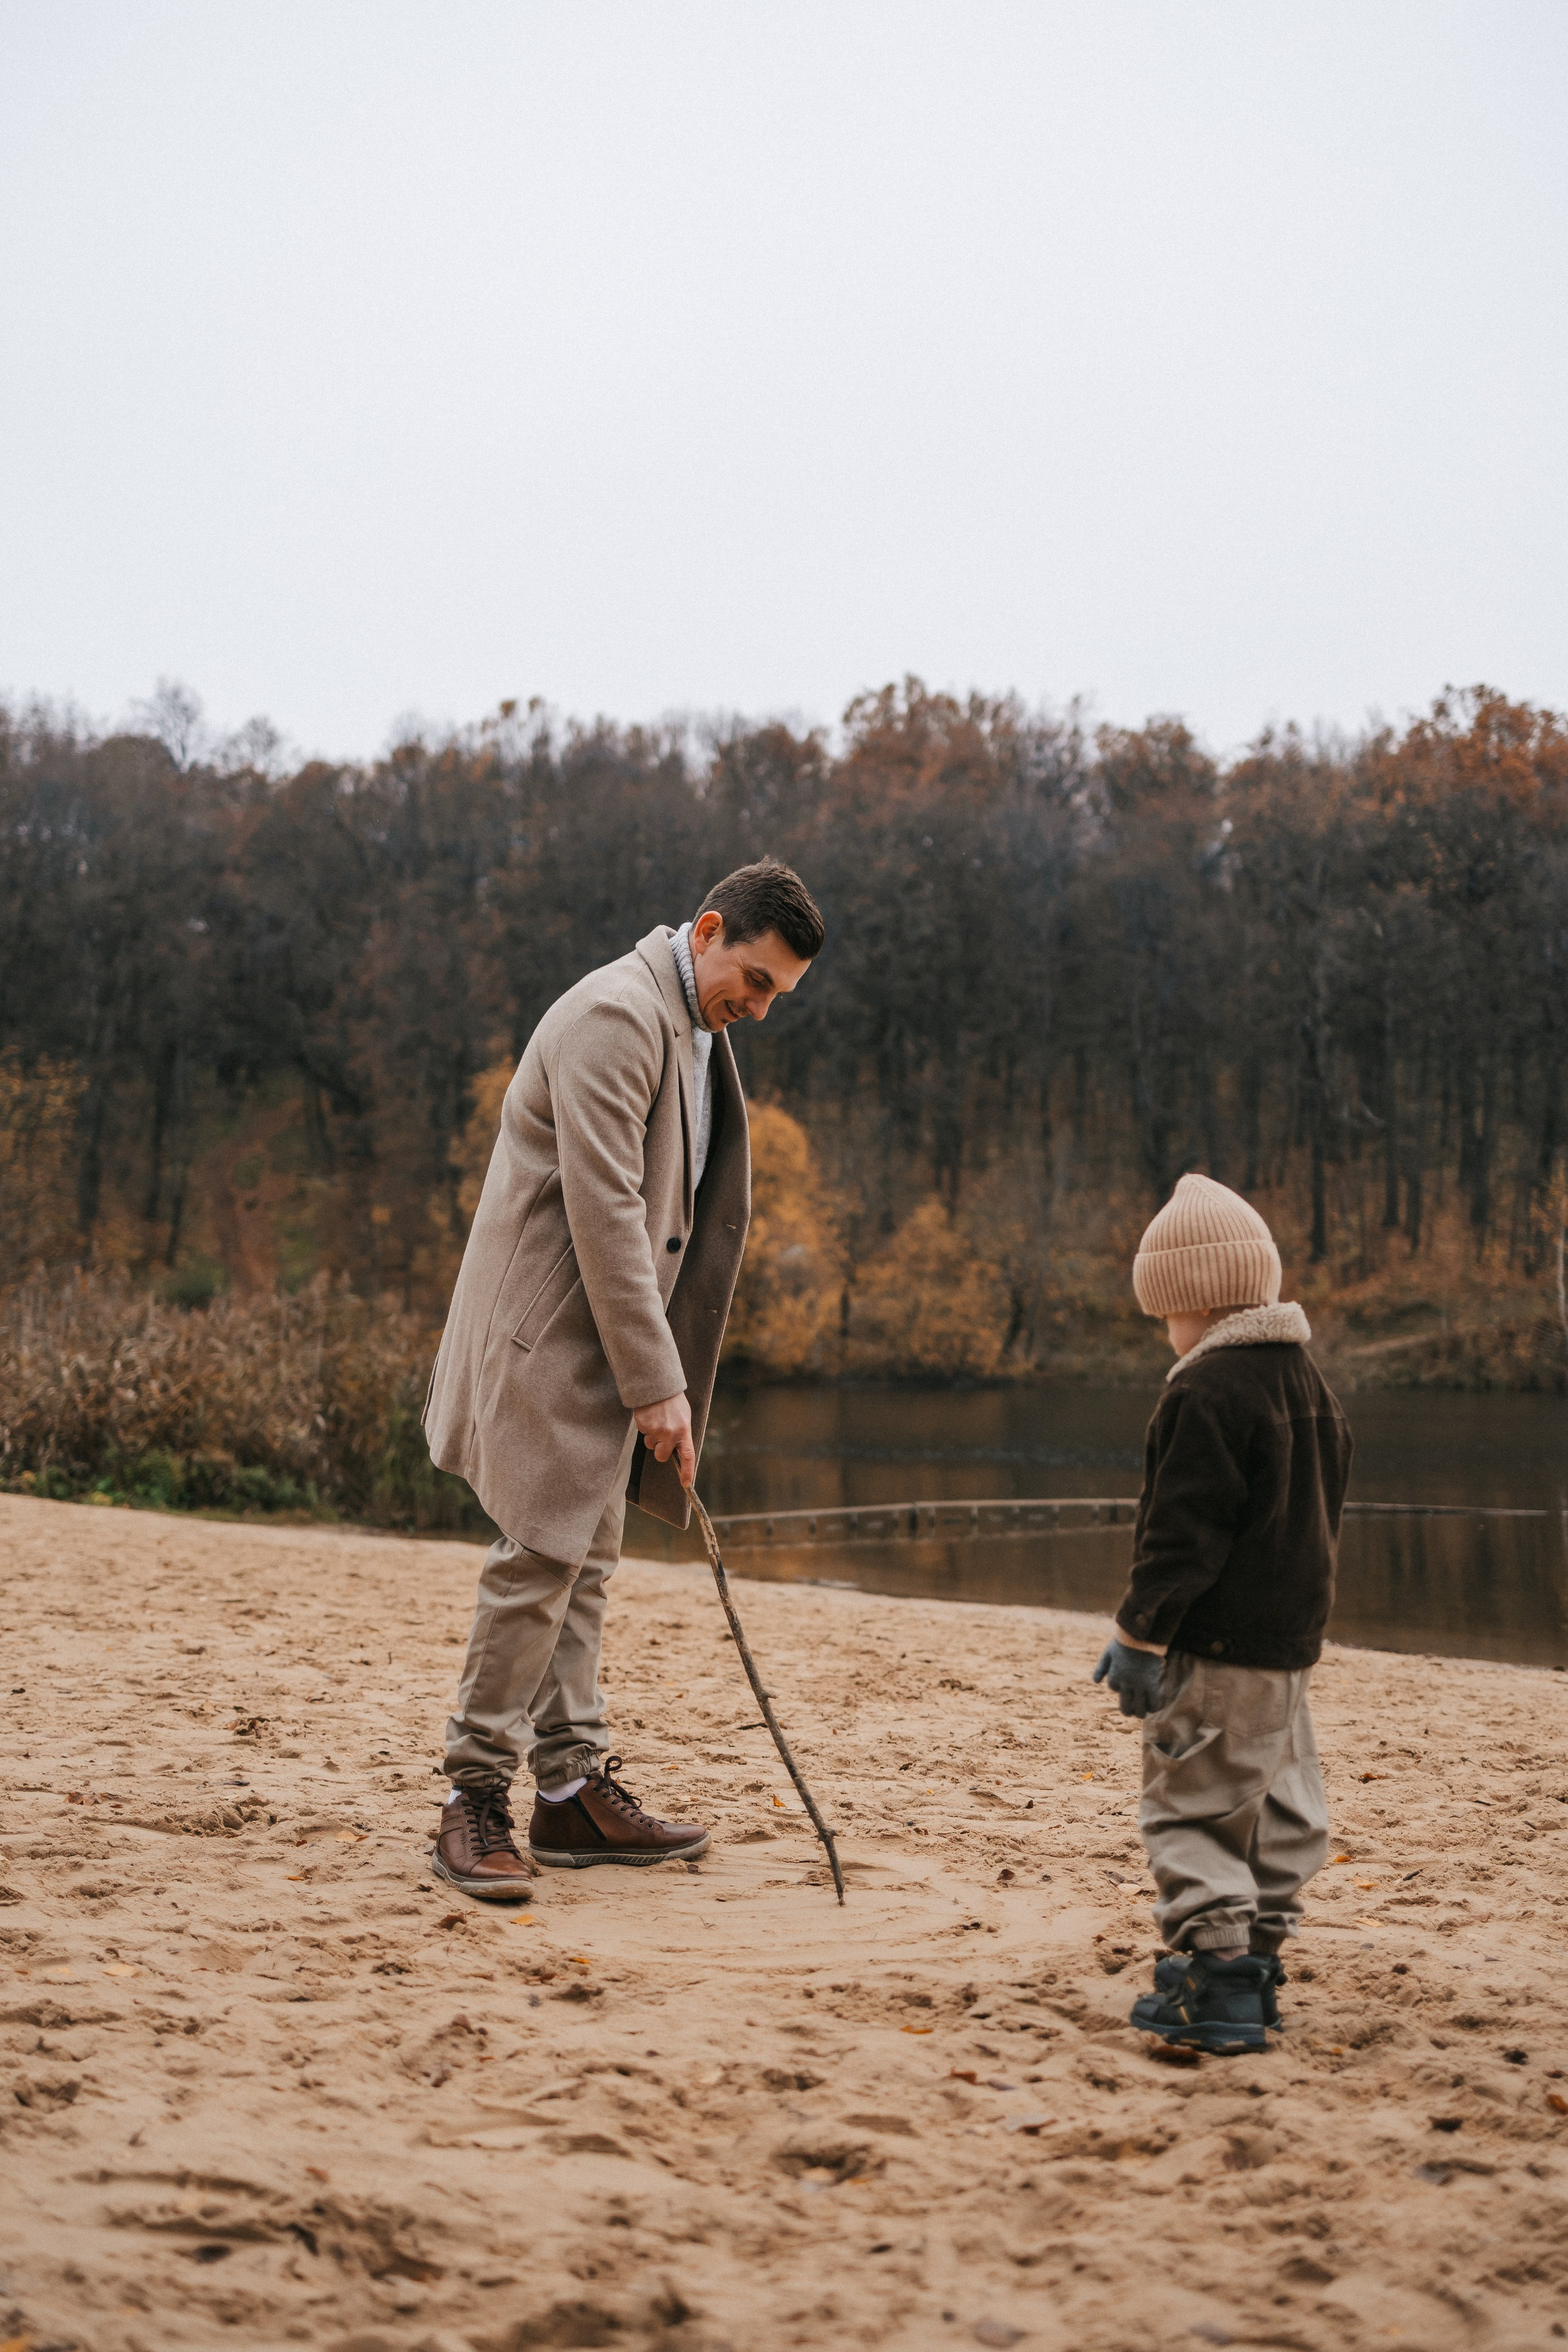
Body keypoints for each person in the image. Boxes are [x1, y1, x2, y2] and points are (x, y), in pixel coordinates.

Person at [423, 860, 824, 1897]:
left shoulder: (694, 1026)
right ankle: (472, 1797)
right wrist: (660, 1384)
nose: (763, 1007)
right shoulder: (616, 1016)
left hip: (600, 1347)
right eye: (759, 979)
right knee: (539, 1563)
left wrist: (661, 1378)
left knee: (587, 1562)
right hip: (545, 1343)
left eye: (780, 993)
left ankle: (569, 1795)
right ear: (707, 930)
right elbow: (606, 1218)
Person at [1092, 1173, 1353, 2053]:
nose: (1166, 1333)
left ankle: (1217, 1981)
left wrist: (1139, 1637)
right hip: (1289, 1655)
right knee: (1281, 1807)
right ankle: (1262, 1960)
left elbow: (1181, 1535)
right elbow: (1322, 1519)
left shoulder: (1203, 1392)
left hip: (1214, 1651)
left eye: (1165, 1315)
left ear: (1194, 1302)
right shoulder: (1311, 1387)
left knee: (1192, 1805)